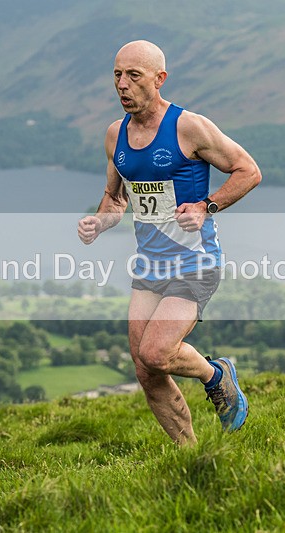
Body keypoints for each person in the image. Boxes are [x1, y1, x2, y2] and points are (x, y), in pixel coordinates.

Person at [77, 40, 261, 445]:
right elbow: (115, 200)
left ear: (159, 79)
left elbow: (248, 170)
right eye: (117, 75)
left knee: (157, 352)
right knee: (146, 368)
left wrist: (206, 207)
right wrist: (99, 222)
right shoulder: (115, 135)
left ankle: (217, 375)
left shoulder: (188, 127)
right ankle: (190, 457)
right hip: (150, 265)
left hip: (195, 262)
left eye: (133, 75)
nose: (122, 84)